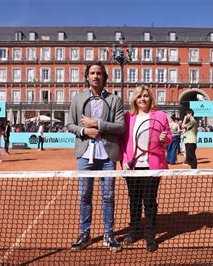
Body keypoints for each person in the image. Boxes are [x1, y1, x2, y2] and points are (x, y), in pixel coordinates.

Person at [66, 61, 124, 252]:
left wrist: (98, 124)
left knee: (108, 196)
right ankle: (85, 233)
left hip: (107, 156)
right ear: (87, 76)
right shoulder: (78, 98)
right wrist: (84, 130)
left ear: (104, 77)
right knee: (84, 195)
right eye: (92, 73)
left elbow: (120, 127)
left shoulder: (115, 100)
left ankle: (109, 234)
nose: (96, 76)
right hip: (84, 155)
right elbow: (70, 125)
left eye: (99, 73)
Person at [121, 85, 172, 252]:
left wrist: (165, 138)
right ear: (135, 99)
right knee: (134, 201)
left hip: (153, 166)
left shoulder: (161, 115)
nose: (142, 99)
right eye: (139, 96)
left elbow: (169, 138)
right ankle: (134, 231)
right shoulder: (128, 117)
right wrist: (124, 160)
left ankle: (150, 236)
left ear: (151, 98)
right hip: (133, 166)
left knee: (149, 203)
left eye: (146, 96)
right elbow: (123, 141)